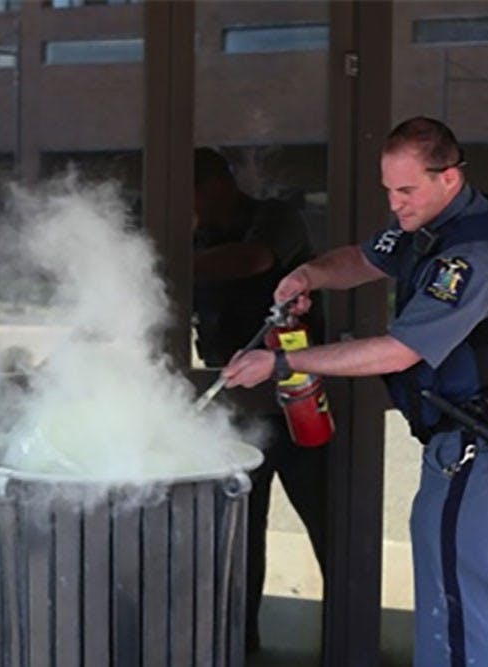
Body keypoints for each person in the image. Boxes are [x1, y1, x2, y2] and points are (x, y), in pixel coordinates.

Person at [222, 118, 488, 666]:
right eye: (389, 190)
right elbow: (366, 258)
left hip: (474, 443)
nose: (396, 204)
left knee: (453, 591)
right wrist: (308, 275)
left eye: (407, 190)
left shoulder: (475, 257)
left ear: (448, 177)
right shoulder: (439, 221)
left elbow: (398, 351)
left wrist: (281, 361)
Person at [192, 147, 328, 654]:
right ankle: (240, 643)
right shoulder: (199, 237)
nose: (192, 210)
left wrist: (166, 261)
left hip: (297, 402)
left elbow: (254, 261)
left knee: (328, 524)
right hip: (234, 412)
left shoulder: (274, 218)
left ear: (215, 186)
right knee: (241, 536)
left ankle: (348, 632)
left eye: (192, 196)